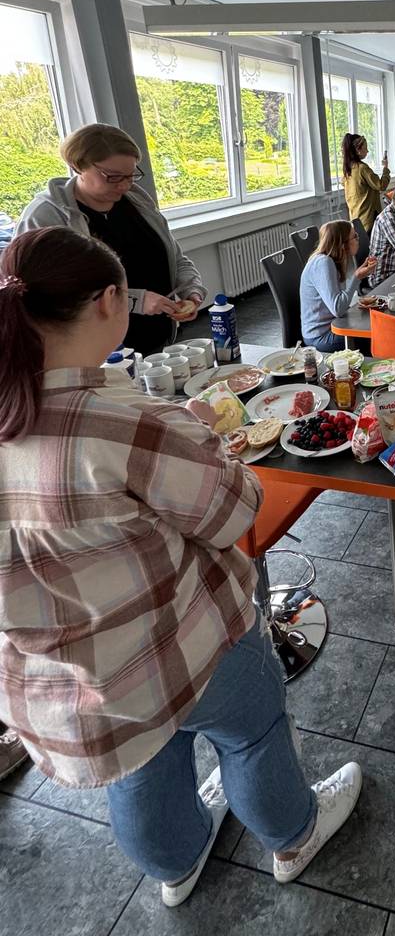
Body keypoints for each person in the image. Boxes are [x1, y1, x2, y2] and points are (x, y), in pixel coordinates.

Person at [0, 227, 362, 907]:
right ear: (109, 301)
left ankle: (178, 863)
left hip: (72, 684)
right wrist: (202, 434)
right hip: (182, 642)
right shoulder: (122, 419)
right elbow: (233, 513)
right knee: (252, 735)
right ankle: (294, 836)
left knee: (141, 765)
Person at [15, 123, 204, 356]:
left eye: (131, 175)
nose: (124, 185)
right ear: (77, 166)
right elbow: (46, 293)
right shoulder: (45, 217)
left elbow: (175, 257)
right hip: (94, 352)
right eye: (112, 177)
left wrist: (192, 290)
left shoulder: (139, 202)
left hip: (157, 338)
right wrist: (135, 301)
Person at [300, 220, 377, 351]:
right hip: (321, 336)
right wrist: (357, 277)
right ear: (342, 244)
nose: (358, 239)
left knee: (375, 323)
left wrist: (359, 275)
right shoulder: (323, 263)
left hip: (334, 325)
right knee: (378, 333)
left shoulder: (334, 260)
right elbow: (338, 308)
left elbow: (340, 303)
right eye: (354, 236)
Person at [342, 132, 390, 233]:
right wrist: (385, 168)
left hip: (356, 218)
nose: (367, 151)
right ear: (358, 150)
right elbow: (381, 185)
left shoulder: (348, 169)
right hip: (369, 218)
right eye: (365, 148)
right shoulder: (362, 168)